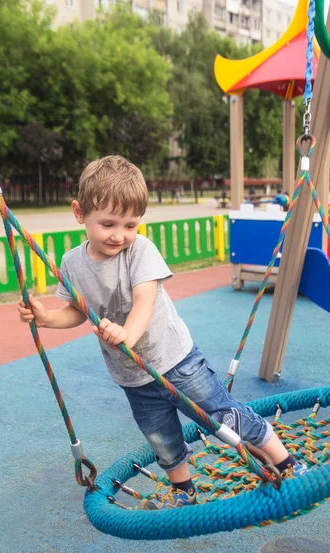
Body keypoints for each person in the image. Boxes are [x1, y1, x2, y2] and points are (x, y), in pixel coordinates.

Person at [18, 156, 306, 510]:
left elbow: (144, 301)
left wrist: (126, 334)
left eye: (130, 225)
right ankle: (183, 489)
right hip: (132, 376)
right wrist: (47, 318)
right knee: (161, 437)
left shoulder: (140, 251)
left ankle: (284, 460)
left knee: (222, 415)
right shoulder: (71, 264)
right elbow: (77, 311)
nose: (119, 235)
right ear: (80, 213)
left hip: (176, 358)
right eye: (108, 224)